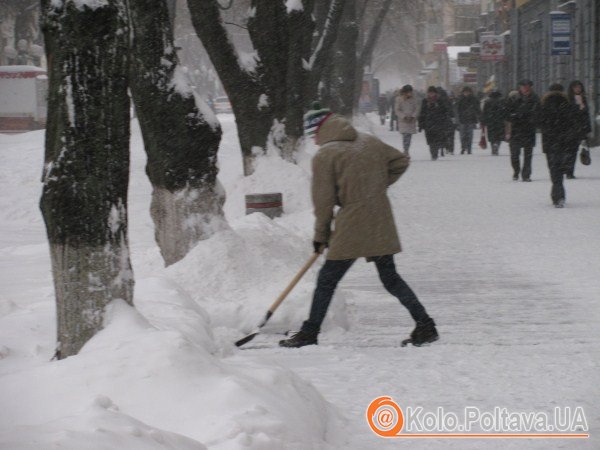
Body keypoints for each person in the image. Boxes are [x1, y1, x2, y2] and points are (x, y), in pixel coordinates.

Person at [279, 106, 438, 348]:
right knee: (390, 278)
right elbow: (401, 161)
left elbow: (324, 202)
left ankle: (309, 333)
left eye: (313, 133)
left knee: (327, 279)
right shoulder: (368, 142)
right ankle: (425, 325)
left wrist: (320, 235)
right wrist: (375, 185)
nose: (313, 139)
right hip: (379, 218)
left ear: (320, 130)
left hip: (353, 223)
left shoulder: (326, 155)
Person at [538, 83, 578, 208]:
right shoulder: (568, 103)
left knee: (553, 168)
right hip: (563, 141)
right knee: (559, 168)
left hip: (550, 141)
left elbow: (538, 122)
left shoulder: (543, 104)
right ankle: (559, 195)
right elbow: (573, 122)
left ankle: (557, 194)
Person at [505, 79, 540, 181]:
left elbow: (539, 112)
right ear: (520, 88)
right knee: (515, 154)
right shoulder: (513, 98)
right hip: (516, 130)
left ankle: (526, 175)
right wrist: (514, 116)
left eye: (527, 86)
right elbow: (507, 113)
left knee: (528, 155)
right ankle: (516, 171)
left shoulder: (535, 98)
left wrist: (534, 119)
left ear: (530, 87)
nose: (525, 88)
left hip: (529, 130)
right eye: (523, 86)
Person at [565, 80, 592, 179]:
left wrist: (588, 129)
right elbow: (569, 114)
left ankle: (569, 170)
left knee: (575, 151)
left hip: (581, 129)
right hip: (571, 129)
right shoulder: (568, 100)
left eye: (579, 87)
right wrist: (578, 108)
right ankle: (568, 171)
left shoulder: (583, 99)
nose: (578, 89)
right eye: (576, 87)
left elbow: (586, 115)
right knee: (570, 151)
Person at [418, 86, 451, 160]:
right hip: (428, 124)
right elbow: (422, 112)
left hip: (438, 123)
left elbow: (445, 111)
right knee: (430, 140)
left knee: (436, 139)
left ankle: (435, 153)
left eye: (433, 93)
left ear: (435, 93)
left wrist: (444, 121)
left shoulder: (440, 101)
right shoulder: (425, 101)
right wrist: (421, 124)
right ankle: (433, 152)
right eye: (430, 93)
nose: (431, 94)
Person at [456, 86, 481, 154]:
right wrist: (457, 118)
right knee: (462, 135)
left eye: (467, 92)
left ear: (470, 92)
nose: (466, 93)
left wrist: (479, 116)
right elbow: (457, 110)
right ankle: (463, 147)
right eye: (465, 92)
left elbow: (477, 108)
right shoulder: (460, 99)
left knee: (470, 135)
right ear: (463, 92)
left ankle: (469, 148)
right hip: (462, 119)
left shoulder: (474, 99)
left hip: (470, 119)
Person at [394, 85, 419, 154]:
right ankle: (406, 150)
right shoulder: (399, 99)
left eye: (410, 92)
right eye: (408, 92)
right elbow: (397, 110)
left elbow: (416, 109)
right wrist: (403, 116)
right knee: (405, 136)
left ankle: (406, 150)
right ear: (405, 92)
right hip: (403, 121)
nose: (409, 93)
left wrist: (413, 116)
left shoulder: (414, 99)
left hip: (411, 120)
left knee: (409, 136)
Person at [481, 90, 506, 155]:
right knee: (499, 136)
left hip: (490, 121)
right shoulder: (502, 101)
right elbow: (505, 111)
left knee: (492, 136)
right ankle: (497, 145)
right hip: (500, 121)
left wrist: (483, 121)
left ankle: (493, 146)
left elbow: (484, 112)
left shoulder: (487, 102)